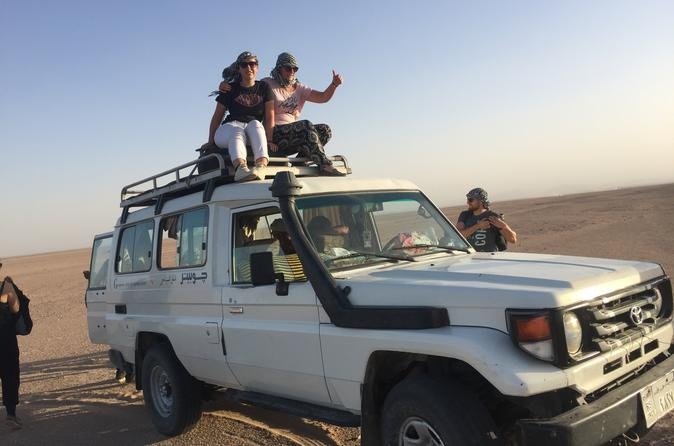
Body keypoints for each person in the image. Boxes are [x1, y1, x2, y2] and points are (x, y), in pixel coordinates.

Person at [219, 52, 345, 176]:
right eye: (288, 68)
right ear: (279, 69)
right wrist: (225, 84)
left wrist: (334, 85)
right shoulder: (268, 83)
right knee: (306, 125)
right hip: (275, 131)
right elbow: (248, 82)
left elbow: (322, 97)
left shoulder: (300, 88)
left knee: (325, 130)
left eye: (295, 69)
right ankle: (324, 165)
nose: (292, 71)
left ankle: (300, 162)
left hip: (296, 133)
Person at [206, 51, 274, 182]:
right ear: (239, 69)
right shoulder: (229, 88)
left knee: (256, 124)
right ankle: (241, 168)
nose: (248, 68)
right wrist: (210, 141)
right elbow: (217, 116)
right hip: (229, 128)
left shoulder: (264, 87)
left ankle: (261, 166)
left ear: (257, 67)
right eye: (244, 65)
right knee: (236, 131)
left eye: (252, 64)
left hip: (251, 130)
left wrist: (269, 140)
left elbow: (270, 116)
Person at [456, 188, 517, 252]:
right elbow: (458, 236)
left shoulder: (493, 216)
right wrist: (478, 226)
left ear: (480, 201)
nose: (468, 202)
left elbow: (513, 240)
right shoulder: (465, 215)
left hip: (489, 256)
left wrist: (503, 226)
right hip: (470, 256)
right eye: (468, 200)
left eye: (470, 200)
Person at [0, 273, 22, 430]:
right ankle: (11, 415)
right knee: (9, 376)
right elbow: (15, 308)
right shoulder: (5, 286)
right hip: (4, 340)